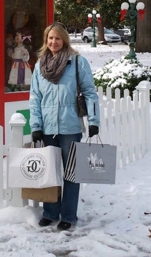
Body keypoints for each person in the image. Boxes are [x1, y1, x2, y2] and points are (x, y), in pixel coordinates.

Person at [29, 22, 100, 231]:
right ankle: (50, 213)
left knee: (71, 174)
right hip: (48, 128)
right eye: (50, 38)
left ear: (64, 40)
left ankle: (68, 215)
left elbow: (89, 92)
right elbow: (35, 97)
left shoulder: (78, 62)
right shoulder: (40, 65)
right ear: (46, 40)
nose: (54, 42)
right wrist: (36, 125)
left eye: (58, 38)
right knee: (49, 172)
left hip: (70, 127)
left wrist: (93, 121)